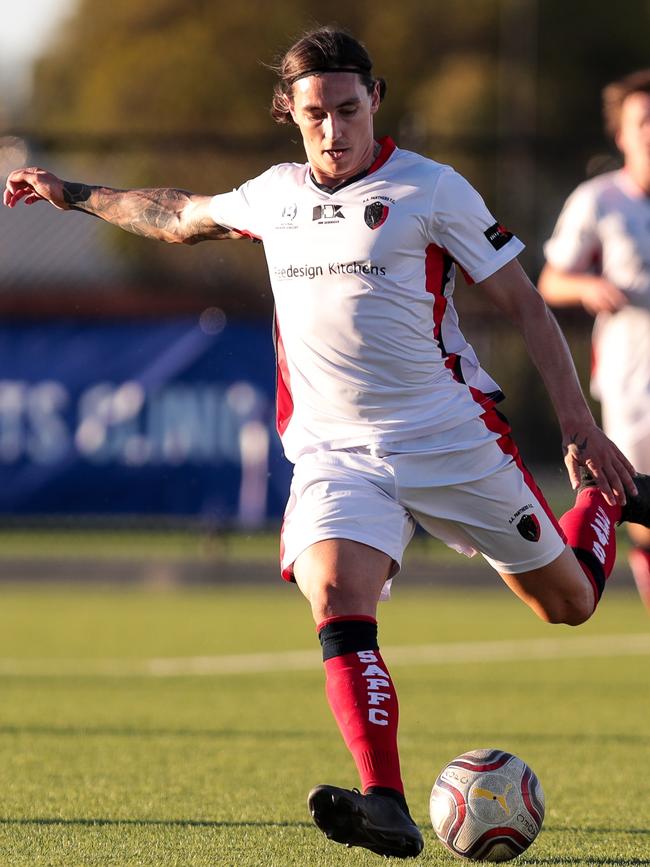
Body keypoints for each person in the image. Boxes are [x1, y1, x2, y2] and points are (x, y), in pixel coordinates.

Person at [4, 28, 650, 860]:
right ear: (291, 114)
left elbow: (527, 304)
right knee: (336, 594)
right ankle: (385, 800)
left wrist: (579, 430)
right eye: (316, 115)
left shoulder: (432, 188)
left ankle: (610, 496)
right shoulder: (274, 195)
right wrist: (75, 193)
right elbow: (173, 215)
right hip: (335, 451)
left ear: (374, 100)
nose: (335, 130)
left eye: (349, 110)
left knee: (570, 602)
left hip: (450, 437)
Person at [539, 70, 650, 612]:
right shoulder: (600, 200)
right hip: (634, 383)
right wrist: (588, 284)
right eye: (643, 120)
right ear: (622, 133)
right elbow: (548, 281)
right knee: (640, 509)